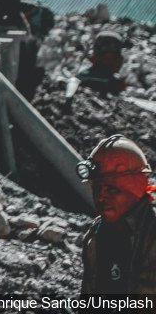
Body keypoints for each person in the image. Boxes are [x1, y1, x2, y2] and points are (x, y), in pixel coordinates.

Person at [78, 135, 156, 296]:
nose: (101, 197)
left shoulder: (151, 234)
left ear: (135, 187)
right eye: (97, 189)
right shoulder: (95, 234)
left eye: (111, 189)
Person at [77, 30, 128, 95]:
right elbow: (116, 68)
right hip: (102, 75)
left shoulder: (115, 56)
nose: (106, 46)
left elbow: (93, 60)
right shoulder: (117, 56)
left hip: (102, 75)